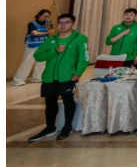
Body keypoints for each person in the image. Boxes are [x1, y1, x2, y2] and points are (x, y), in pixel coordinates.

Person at [27, 14, 89, 143]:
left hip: (67, 77)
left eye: (67, 22)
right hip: (49, 77)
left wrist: (77, 73)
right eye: (60, 22)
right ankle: (50, 128)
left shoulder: (80, 38)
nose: (63, 25)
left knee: (68, 101)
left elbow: (84, 58)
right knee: (50, 103)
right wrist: (55, 51)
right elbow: (38, 56)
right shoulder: (51, 39)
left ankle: (67, 127)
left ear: (72, 23)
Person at [12, 9, 52, 86]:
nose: (46, 18)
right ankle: (18, 80)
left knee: (41, 63)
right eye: (44, 16)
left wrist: (49, 29)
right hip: (32, 46)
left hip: (43, 46)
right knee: (27, 62)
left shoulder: (48, 23)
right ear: (39, 15)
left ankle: (37, 78)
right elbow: (34, 33)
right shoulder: (32, 24)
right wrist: (47, 32)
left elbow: (50, 33)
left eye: (47, 16)